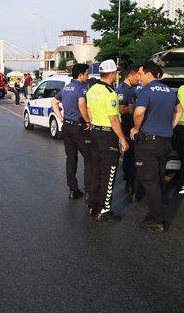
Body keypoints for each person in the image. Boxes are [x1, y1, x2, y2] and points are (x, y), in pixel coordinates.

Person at [130, 61, 183, 233]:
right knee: (159, 176)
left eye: (140, 73)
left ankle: (156, 219)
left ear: (149, 74)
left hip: (149, 142)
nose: (139, 77)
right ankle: (158, 209)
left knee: (149, 180)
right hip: (166, 141)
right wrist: (170, 126)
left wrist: (136, 129)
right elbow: (180, 110)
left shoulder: (145, 91)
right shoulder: (169, 91)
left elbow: (138, 112)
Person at [86, 59, 129, 221]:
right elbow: (114, 120)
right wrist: (123, 140)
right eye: (116, 72)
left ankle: (93, 205)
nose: (117, 75)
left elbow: (89, 112)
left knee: (95, 171)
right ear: (112, 74)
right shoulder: (110, 94)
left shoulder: (92, 90)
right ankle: (105, 210)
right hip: (107, 136)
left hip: (95, 132)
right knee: (109, 173)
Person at [51, 63, 92, 200]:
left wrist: (61, 118)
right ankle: (88, 192)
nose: (88, 76)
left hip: (67, 127)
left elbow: (54, 102)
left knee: (71, 159)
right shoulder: (82, 87)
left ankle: (73, 190)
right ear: (80, 75)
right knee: (89, 158)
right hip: (79, 127)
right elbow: (81, 103)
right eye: (87, 74)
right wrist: (87, 121)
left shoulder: (66, 88)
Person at [116, 65, 141, 199]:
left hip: (135, 126)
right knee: (130, 157)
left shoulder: (133, 89)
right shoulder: (122, 89)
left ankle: (133, 182)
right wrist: (137, 108)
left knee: (135, 157)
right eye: (136, 76)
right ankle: (130, 183)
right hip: (127, 127)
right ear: (130, 75)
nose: (138, 79)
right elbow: (121, 109)